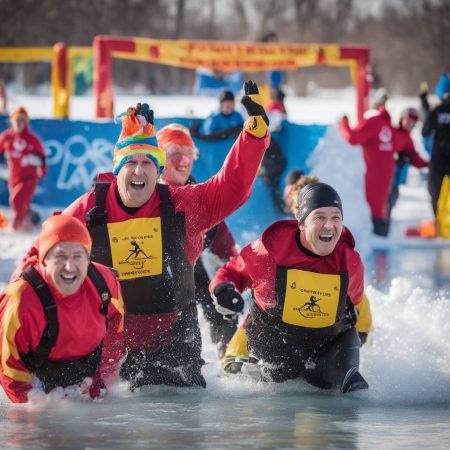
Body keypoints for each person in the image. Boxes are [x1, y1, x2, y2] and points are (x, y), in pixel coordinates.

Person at [14, 81, 270, 390]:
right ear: (117, 171)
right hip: (108, 338)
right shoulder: (90, 208)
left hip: (174, 335)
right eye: (131, 162)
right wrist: (15, 307)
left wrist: (253, 137)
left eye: (148, 162)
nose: (139, 171)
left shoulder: (180, 204)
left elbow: (230, 188)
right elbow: (40, 254)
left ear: (158, 171)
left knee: (181, 411)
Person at [210, 182, 368, 393]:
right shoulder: (269, 252)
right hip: (274, 348)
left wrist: (363, 333)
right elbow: (230, 273)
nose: (329, 226)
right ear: (301, 223)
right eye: (319, 217)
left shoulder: (350, 262)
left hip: (323, 349)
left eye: (335, 218)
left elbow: (358, 302)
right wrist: (223, 290)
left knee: (352, 382)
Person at [0, 215, 125, 403]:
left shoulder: (105, 283)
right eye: (60, 256)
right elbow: (10, 370)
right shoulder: (20, 300)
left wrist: (105, 373)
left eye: (77, 256)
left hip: (87, 370)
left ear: (87, 260)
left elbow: (117, 324)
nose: (69, 266)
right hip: (38, 378)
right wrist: (33, 413)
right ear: (44, 260)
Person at [157, 123, 239, 357]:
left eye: (189, 154)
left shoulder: (201, 199)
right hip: (149, 280)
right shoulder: (142, 194)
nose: (183, 161)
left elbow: (230, 252)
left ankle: (227, 353)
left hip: (189, 272)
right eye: (174, 154)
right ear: (159, 157)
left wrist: (232, 282)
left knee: (221, 302)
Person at [339, 90, 396, 236]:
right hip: (386, 176)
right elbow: (404, 142)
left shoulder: (372, 123)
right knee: (382, 206)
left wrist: (343, 123)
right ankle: (382, 233)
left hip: (372, 177)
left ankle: (376, 238)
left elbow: (352, 138)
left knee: (373, 209)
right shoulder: (389, 125)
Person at [0, 106, 47, 231]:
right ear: (12, 121)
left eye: (22, 120)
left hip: (29, 179)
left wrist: (40, 168)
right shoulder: (6, 137)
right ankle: (32, 220)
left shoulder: (32, 139)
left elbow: (42, 158)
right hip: (13, 178)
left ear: (26, 122)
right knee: (20, 205)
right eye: (17, 119)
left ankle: (16, 228)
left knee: (16, 201)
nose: (19, 122)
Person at [387, 107, 428, 230]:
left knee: (393, 198)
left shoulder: (407, 138)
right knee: (387, 199)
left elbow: (414, 157)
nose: (410, 125)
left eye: (413, 123)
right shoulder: (391, 131)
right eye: (408, 121)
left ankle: (387, 225)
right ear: (401, 118)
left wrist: (428, 164)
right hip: (385, 175)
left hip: (396, 177)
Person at [422, 74, 450, 237]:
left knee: (435, 193)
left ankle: (440, 226)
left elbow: (425, 131)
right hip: (441, 159)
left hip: (438, 160)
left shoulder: (436, 110)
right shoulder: (435, 110)